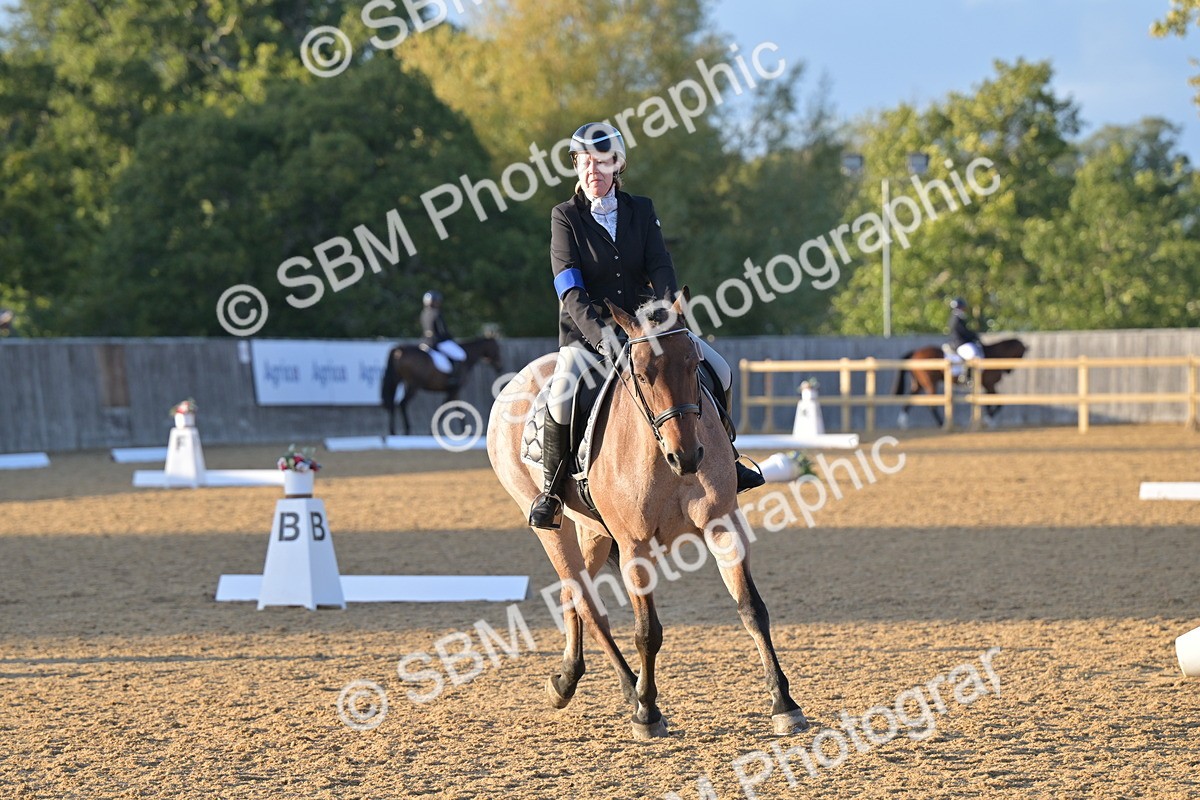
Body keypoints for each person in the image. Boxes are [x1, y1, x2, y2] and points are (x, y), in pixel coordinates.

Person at [528, 122, 764, 530]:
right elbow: (569, 287)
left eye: (602, 162)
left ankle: (730, 459)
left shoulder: (641, 209)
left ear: (617, 165)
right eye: (585, 163)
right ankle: (552, 491)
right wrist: (603, 337)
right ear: (576, 167)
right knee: (563, 392)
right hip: (589, 333)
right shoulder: (564, 217)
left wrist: (670, 316)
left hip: (648, 328)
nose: (593, 171)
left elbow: (660, 265)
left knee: (720, 369)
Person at [420, 291, 466, 386]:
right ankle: (453, 378)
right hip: (437, 342)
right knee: (461, 355)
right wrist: (451, 338)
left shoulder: (424, 313)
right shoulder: (437, 313)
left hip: (425, 342)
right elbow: (442, 331)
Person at [947, 297, 983, 385]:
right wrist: (973, 336)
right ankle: (967, 377)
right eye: (962, 307)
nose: (964, 309)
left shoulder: (959, 318)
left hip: (961, 343)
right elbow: (964, 332)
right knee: (973, 354)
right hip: (960, 344)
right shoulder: (956, 319)